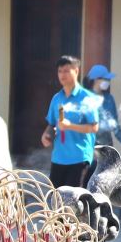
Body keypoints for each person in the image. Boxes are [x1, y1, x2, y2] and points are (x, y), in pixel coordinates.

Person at [43, 55, 99, 188]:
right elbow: (51, 124)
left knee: (72, 202)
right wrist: (46, 135)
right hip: (58, 157)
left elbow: (94, 127)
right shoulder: (56, 98)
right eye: (60, 71)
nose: (62, 75)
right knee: (55, 200)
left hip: (79, 158)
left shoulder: (87, 98)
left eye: (67, 71)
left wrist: (70, 126)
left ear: (76, 71)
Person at [86, 65, 121, 155]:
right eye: (105, 79)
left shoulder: (109, 99)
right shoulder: (85, 98)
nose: (108, 81)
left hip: (107, 146)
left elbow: (114, 123)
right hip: (89, 147)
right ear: (96, 79)